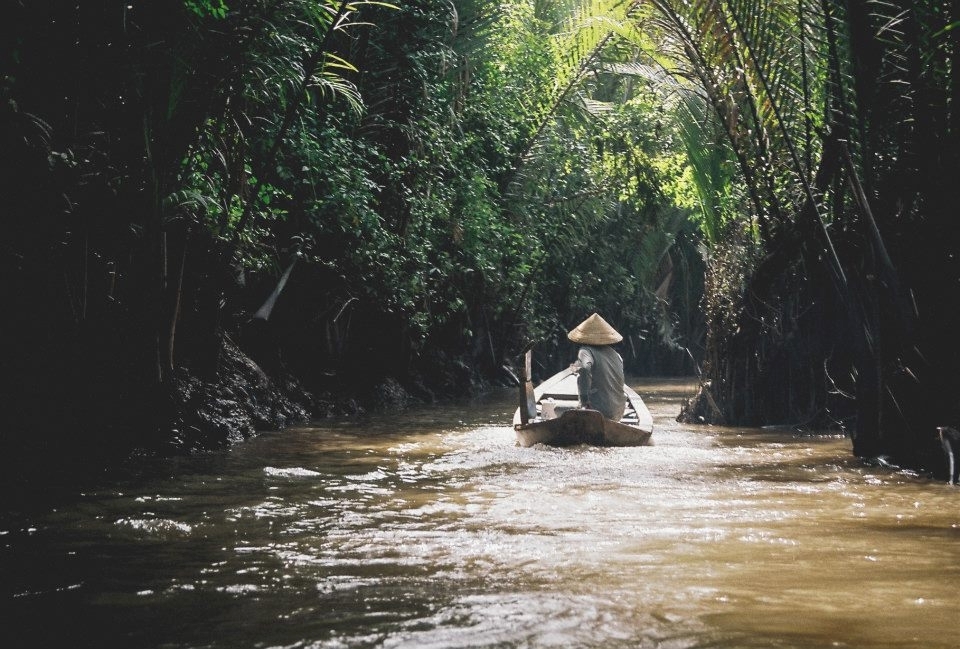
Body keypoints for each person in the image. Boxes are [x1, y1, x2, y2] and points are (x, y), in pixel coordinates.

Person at [568, 313, 626, 421]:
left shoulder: (585, 350)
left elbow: (585, 369)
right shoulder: (616, 355)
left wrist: (584, 401)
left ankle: (585, 406)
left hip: (600, 411)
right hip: (619, 410)